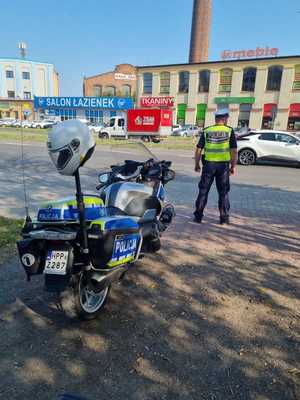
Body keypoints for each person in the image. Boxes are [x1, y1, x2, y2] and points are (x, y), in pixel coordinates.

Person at [193, 108, 238, 224]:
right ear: (224, 119)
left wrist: (197, 164)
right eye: (227, 118)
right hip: (223, 167)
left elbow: (199, 148)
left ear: (216, 119)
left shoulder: (207, 130)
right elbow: (234, 151)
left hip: (208, 165)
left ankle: (198, 216)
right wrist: (233, 166)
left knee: (203, 191)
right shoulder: (229, 130)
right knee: (223, 192)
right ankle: (224, 218)